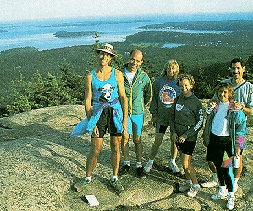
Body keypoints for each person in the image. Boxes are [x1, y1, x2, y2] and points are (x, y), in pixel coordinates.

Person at [72, 43, 128, 194]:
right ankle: (87, 177)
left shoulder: (117, 74)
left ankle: (115, 177)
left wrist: (124, 121)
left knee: (116, 146)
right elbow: (88, 100)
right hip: (98, 113)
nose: (103, 57)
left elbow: (123, 97)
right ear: (98, 55)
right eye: (101, 54)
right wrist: (92, 121)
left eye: (107, 55)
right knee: (95, 148)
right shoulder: (90, 75)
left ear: (111, 58)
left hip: (115, 112)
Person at [201, 58, 253, 192]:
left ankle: (234, 182)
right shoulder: (224, 85)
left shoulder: (249, 88)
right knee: (214, 157)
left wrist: (241, 108)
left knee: (237, 157)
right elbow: (214, 100)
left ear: (243, 69)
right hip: (219, 130)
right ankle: (217, 178)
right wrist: (211, 105)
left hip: (236, 128)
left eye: (238, 68)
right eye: (233, 68)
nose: (235, 71)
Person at [203, 82, 246, 210]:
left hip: (227, 142)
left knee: (227, 170)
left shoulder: (235, 110)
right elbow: (210, 122)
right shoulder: (216, 106)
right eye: (220, 92)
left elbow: (241, 129)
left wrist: (239, 145)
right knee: (218, 167)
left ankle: (231, 195)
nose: (222, 94)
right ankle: (222, 190)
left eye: (225, 92)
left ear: (230, 94)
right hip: (215, 140)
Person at [144, 59, 181, 174]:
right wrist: (154, 114)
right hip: (161, 117)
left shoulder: (179, 82)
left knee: (174, 140)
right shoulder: (159, 81)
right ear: (166, 69)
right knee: (158, 140)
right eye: (169, 68)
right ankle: (150, 161)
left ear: (176, 70)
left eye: (173, 68)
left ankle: (172, 161)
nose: (171, 70)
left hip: (174, 118)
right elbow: (154, 98)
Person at [120, 49, 152, 178]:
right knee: (125, 138)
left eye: (138, 61)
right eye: (133, 59)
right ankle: (127, 163)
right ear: (129, 58)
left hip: (138, 113)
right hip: (124, 113)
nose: (134, 62)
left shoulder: (143, 76)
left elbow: (149, 94)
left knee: (137, 140)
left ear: (141, 62)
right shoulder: (119, 74)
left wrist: (141, 105)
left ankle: (139, 164)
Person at [171, 74, 204, 197]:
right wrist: (174, 132)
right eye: (181, 85)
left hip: (189, 137)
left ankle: (196, 185)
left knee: (186, 163)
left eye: (186, 85)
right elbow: (172, 118)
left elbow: (200, 123)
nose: (183, 88)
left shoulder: (196, 103)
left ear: (191, 85)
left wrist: (186, 134)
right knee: (183, 161)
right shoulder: (177, 99)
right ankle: (188, 182)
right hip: (178, 136)